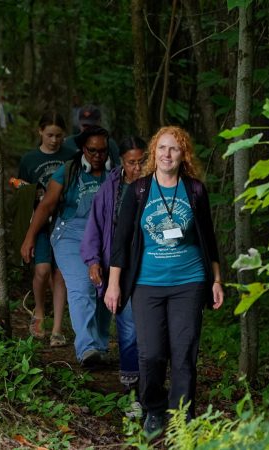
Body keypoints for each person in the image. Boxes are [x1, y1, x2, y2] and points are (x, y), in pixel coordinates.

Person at [105, 126, 224, 435]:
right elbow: (121, 242)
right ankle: (154, 410)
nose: (167, 154)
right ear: (153, 153)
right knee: (151, 353)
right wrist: (114, 283)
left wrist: (216, 280)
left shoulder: (195, 190)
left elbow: (208, 240)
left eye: (174, 149)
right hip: (147, 283)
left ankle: (182, 416)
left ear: (183, 155)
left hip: (190, 281)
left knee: (184, 353)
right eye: (162, 148)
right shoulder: (139, 190)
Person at [21, 126, 113, 367]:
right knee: (82, 286)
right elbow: (46, 206)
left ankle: (100, 345)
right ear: (83, 149)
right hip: (71, 235)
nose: (97, 156)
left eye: (102, 151)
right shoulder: (68, 171)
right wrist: (29, 237)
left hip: (105, 237)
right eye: (92, 150)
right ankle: (87, 349)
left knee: (104, 289)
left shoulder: (115, 173)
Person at [80, 136, 146, 416]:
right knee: (129, 329)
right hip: (120, 268)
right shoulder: (111, 189)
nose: (138, 168)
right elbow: (94, 225)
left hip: (152, 267)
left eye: (143, 162)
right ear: (122, 163)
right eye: (132, 163)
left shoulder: (159, 186)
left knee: (152, 332)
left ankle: (150, 388)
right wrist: (93, 260)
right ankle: (133, 390)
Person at [17, 112, 74, 347]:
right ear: (40, 131)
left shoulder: (71, 157)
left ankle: (58, 328)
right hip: (39, 221)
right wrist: (32, 192)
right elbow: (20, 188)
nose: (54, 140)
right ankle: (39, 311)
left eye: (59, 136)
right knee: (42, 270)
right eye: (49, 135)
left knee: (60, 274)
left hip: (65, 221)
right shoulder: (29, 159)